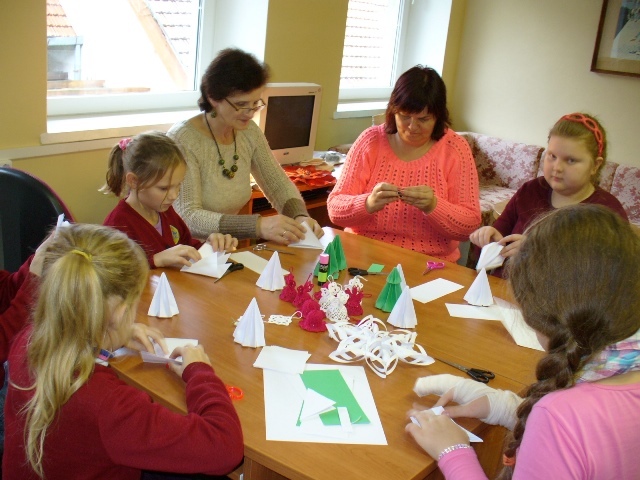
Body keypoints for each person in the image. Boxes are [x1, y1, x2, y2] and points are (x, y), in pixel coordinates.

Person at [406, 204, 640, 479]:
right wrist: (503, 407)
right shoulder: (619, 368)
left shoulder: (559, 417)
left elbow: (567, 430)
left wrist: (452, 451)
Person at [3, 224, 244, 479]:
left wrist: (111, 336)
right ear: (118, 313)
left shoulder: (25, 341)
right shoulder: (107, 403)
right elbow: (226, 448)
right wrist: (200, 372)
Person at [167, 48, 324, 245]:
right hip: (183, 251)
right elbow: (188, 217)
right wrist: (258, 226)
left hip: (222, 249)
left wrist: (299, 217)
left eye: (255, 103)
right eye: (241, 104)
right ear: (213, 97)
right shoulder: (183, 140)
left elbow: (278, 184)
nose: (250, 113)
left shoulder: (248, 132)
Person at [326, 66, 480, 263]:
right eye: (404, 116)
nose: (412, 127)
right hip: (365, 253)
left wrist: (434, 206)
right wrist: (368, 204)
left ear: (438, 116)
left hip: (428, 262)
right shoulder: (370, 141)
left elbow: (469, 225)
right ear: (393, 111)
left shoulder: (455, 148)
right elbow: (335, 209)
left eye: (424, 119)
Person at [470, 113, 628, 266]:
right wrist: (490, 242)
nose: (557, 167)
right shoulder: (530, 191)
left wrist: (537, 253)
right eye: (552, 156)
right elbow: (492, 245)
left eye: (571, 160)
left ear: (595, 165)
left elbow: (607, 276)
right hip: (503, 289)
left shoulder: (607, 213)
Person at [102, 131, 238, 269]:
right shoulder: (117, 225)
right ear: (134, 181)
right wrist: (154, 260)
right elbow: (112, 275)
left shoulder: (165, 211)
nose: (174, 195)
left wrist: (211, 246)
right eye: (164, 188)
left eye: (178, 185)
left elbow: (187, 247)